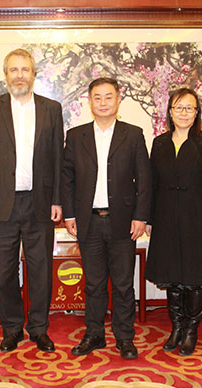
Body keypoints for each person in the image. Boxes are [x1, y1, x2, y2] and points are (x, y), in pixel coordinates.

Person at [0, 48, 64, 353]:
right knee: (4, 271)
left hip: (40, 203)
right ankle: (12, 328)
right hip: (0, 205)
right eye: (14, 70)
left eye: (25, 69)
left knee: (41, 270)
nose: (19, 75)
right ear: (6, 75)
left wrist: (57, 199)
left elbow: (57, 158)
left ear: (34, 74)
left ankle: (38, 328)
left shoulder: (51, 109)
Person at [61, 77, 151, 359]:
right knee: (94, 284)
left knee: (123, 285)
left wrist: (141, 216)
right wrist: (70, 214)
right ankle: (94, 334)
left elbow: (145, 180)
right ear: (90, 102)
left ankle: (125, 337)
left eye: (108, 97)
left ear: (118, 100)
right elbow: (67, 179)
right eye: (97, 98)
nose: (103, 103)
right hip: (88, 222)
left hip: (123, 222)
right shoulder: (76, 136)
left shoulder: (133, 134)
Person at [144, 88, 202, 356]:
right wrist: (150, 219)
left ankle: (191, 330)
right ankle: (176, 328)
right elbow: (152, 184)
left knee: (195, 278)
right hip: (166, 220)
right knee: (173, 278)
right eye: (179, 107)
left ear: (197, 113)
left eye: (189, 108)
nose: (184, 113)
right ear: (170, 112)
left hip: (198, 221)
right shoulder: (160, 143)